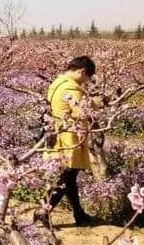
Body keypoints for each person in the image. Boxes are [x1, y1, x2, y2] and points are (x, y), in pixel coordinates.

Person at [36, 55, 98, 227]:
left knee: (70, 178)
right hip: (70, 137)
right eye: (87, 77)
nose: (86, 81)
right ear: (82, 71)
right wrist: (95, 104)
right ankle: (44, 210)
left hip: (57, 133)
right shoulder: (72, 87)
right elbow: (80, 112)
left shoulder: (57, 83)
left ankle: (79, 214)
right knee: (67, 177)